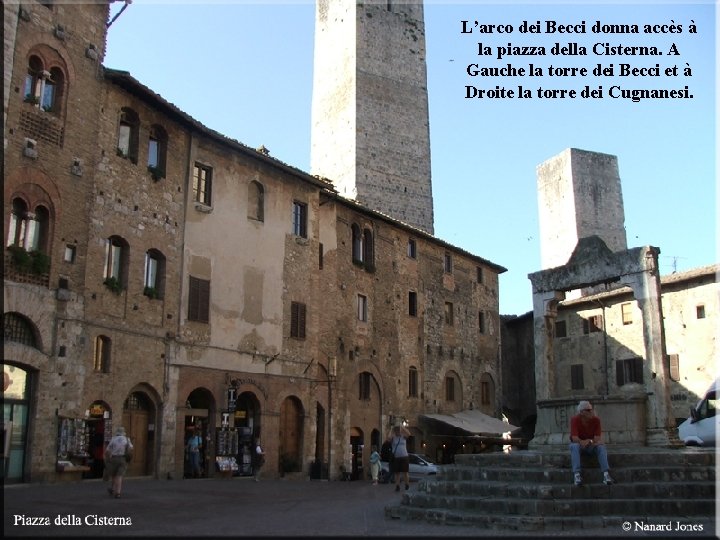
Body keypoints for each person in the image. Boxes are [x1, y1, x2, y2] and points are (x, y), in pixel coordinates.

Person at [569, 400, 614, 486]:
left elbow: (597, 438)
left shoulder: (596, 420)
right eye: (588, 410)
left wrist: (589, 441)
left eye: (591, 409)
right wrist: (582, 442)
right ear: (582, 412)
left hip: (591, 445)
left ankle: (606, 474)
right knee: (574, 446)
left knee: (601, 447)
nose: (591, 411)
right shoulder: (575, 419)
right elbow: (574, 438)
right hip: (579, 445)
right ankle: (577, 475)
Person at [104, 426, 133, 499]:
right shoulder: (127, 439)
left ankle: (113, 489)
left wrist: (108, 458)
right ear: (123, 433)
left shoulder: (113, 439)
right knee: (119, 475)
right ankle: (118, 493)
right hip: (123, 458)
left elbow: (107, 450)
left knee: (114, 475)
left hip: (114, 458)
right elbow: (131, 448)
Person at [387, 425, 411, 492]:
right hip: (396, 457)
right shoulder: (393, 438)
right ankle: (397, 486)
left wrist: (402, 427)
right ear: (395, 431)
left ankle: (407, 485)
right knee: (397, 473)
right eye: (397, 430)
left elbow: (409, 434)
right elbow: (388, 438)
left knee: (405, 472)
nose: (398, 432)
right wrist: (391, 429)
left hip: (404, 456)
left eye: (399, 430)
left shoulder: (403, 437)